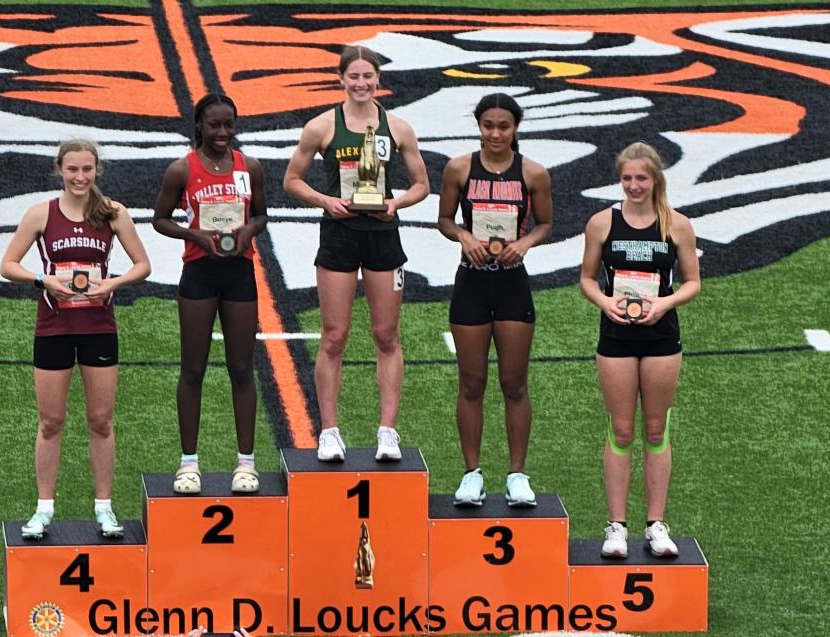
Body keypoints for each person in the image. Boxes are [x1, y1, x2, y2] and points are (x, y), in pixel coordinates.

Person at [283, 45, 429, 462]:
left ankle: (387, 431)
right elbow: (292, 180)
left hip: (382, 235)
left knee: (386, 334)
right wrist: (325, 201)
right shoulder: (321, 127)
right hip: (339, 235)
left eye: (368, 76)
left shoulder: (398, 127)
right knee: (334, 336)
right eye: (354, 76)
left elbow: (422, 184)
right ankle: (329, 431)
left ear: (378, 80)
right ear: (341, 79)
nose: (362, 83)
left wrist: (395, 204)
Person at [0, 139, 151, 539]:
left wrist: (113, 283)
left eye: (87, 169)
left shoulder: (112, 212)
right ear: (60, 170)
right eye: (73, 170)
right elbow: (7, 265)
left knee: (100, 421)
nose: (80, 177)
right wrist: (43, 279)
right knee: (51, 422)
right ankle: (43, 508)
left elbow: (143, 265)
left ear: (97, 170)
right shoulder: (40, 214)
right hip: (53, 329)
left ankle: (104, 507)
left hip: (99, 328)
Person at [579, 141, 701, 558]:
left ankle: (655, 524)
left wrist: (664, 303)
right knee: (621, 430)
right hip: (615, 337)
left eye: (641, 179)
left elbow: (693, 282)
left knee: (655, 429)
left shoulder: (677, 225)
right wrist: (605, 302)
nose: (633, 186)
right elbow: (587, 279)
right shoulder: (601, 223)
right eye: (627, 178)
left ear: (656, 180)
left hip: (661, 337)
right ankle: (616, 527)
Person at [437, 93, 553, 508]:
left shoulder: (534, 173)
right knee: (471, 383)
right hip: (471, 282)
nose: (496, 133)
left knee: (514, 383)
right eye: (489, 126)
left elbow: (546, 225)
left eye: (504, 127)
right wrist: (464, 237)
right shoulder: (459, 168)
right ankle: (472, 474)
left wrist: (524, 243)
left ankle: (517, 475)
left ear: (515, 128)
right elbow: (445, 220)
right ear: (478, 125)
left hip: (511, 284)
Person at [153, 94, 267, 495]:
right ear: (200, 126)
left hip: (238, 272)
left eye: (229, 125)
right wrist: (195, 235)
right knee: (194, 369)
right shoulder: (181, 169)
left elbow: (261, 215)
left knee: (241, 369)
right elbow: (160, 219)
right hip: (199, 273)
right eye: (215, 125)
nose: (222, 133)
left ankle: (246, 463)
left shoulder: (248, 167)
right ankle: (188, 464)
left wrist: (247, 234)